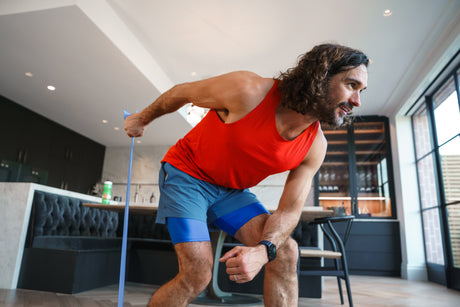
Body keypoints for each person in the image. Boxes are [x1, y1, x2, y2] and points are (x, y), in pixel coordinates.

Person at [124, 43, 369, 307]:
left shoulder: (315, 145)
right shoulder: (248, 90)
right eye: (351, 85)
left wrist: (265, 250)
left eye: (361, 91)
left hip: (231, 193)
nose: (357, 101)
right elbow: (180, 93)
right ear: (320, 75)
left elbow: (288, 211)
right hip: (187, 174)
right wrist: (142, 119)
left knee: (284, 252)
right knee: (197, 273)